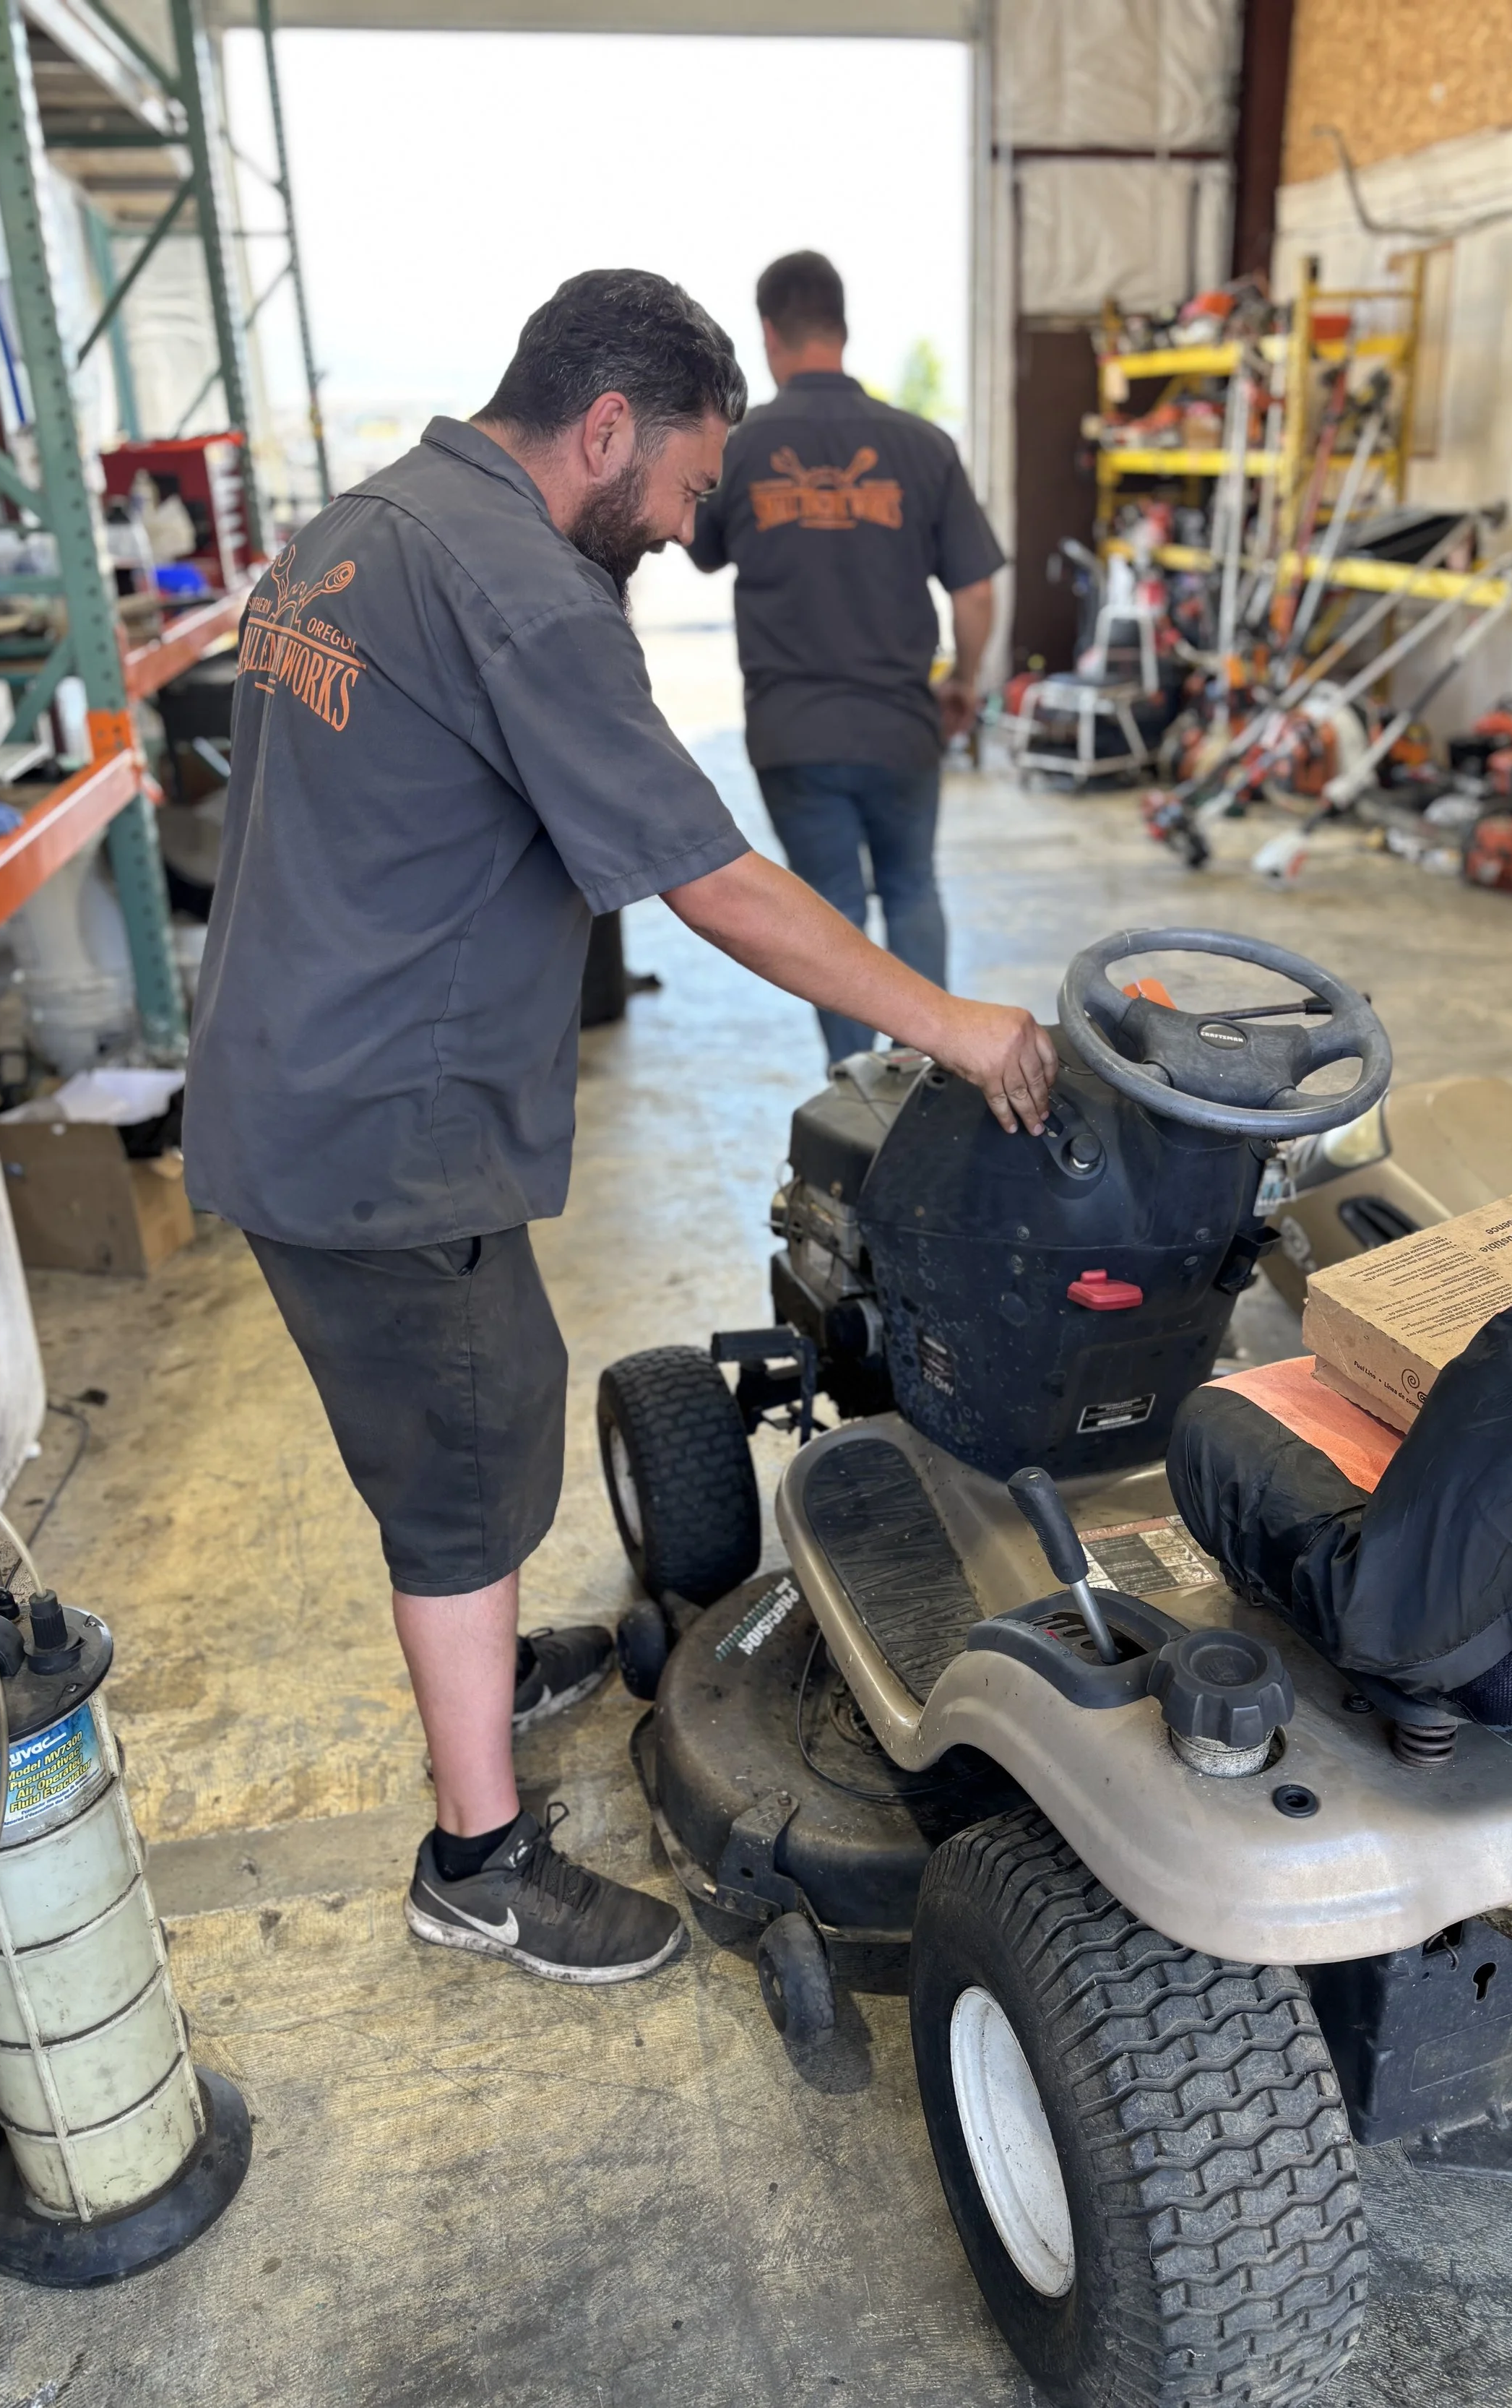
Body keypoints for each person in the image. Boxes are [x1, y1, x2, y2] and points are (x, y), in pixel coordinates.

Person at [182, 270, 1055, 1990]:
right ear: (606, 426)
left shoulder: (361, 522)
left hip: (302, 1064)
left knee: (484, 1402)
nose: (680, 524)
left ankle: (486, 1667)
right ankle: (480, 1859)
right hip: (380, 1123)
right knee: (461, 1462)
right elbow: (713, 878)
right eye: (679, 487)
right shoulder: (527, 591)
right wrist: (950, 1022)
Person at [687, 249, 1003, 1063]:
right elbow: (975, 595)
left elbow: (698, 544)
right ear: (843, 325)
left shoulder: (740, 449)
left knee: (827, 916)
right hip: (901, 726)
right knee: (910, 889)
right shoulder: (922, 446)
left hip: (792, 735)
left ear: (768, 334)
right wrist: (963, 683)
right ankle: (925, 1086)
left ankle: (854, 1095)